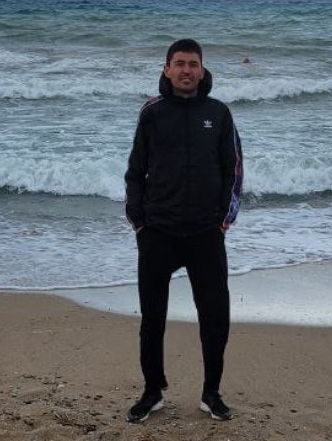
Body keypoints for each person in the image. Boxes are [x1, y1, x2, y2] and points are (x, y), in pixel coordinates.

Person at [124, 39, 243, 423]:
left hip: (206, 233)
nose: (187, 70)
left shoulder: (219, 113)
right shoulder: (152, 112)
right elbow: (135, 171)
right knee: (152, 318)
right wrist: (139, 221)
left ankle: (212, 393)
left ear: (202, 70)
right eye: (180, 63)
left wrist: (223, 221)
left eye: (193, 64)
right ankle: (152, 391)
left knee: (215, 316)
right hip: (157, 231)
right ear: (167, 69)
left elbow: (233, 170)